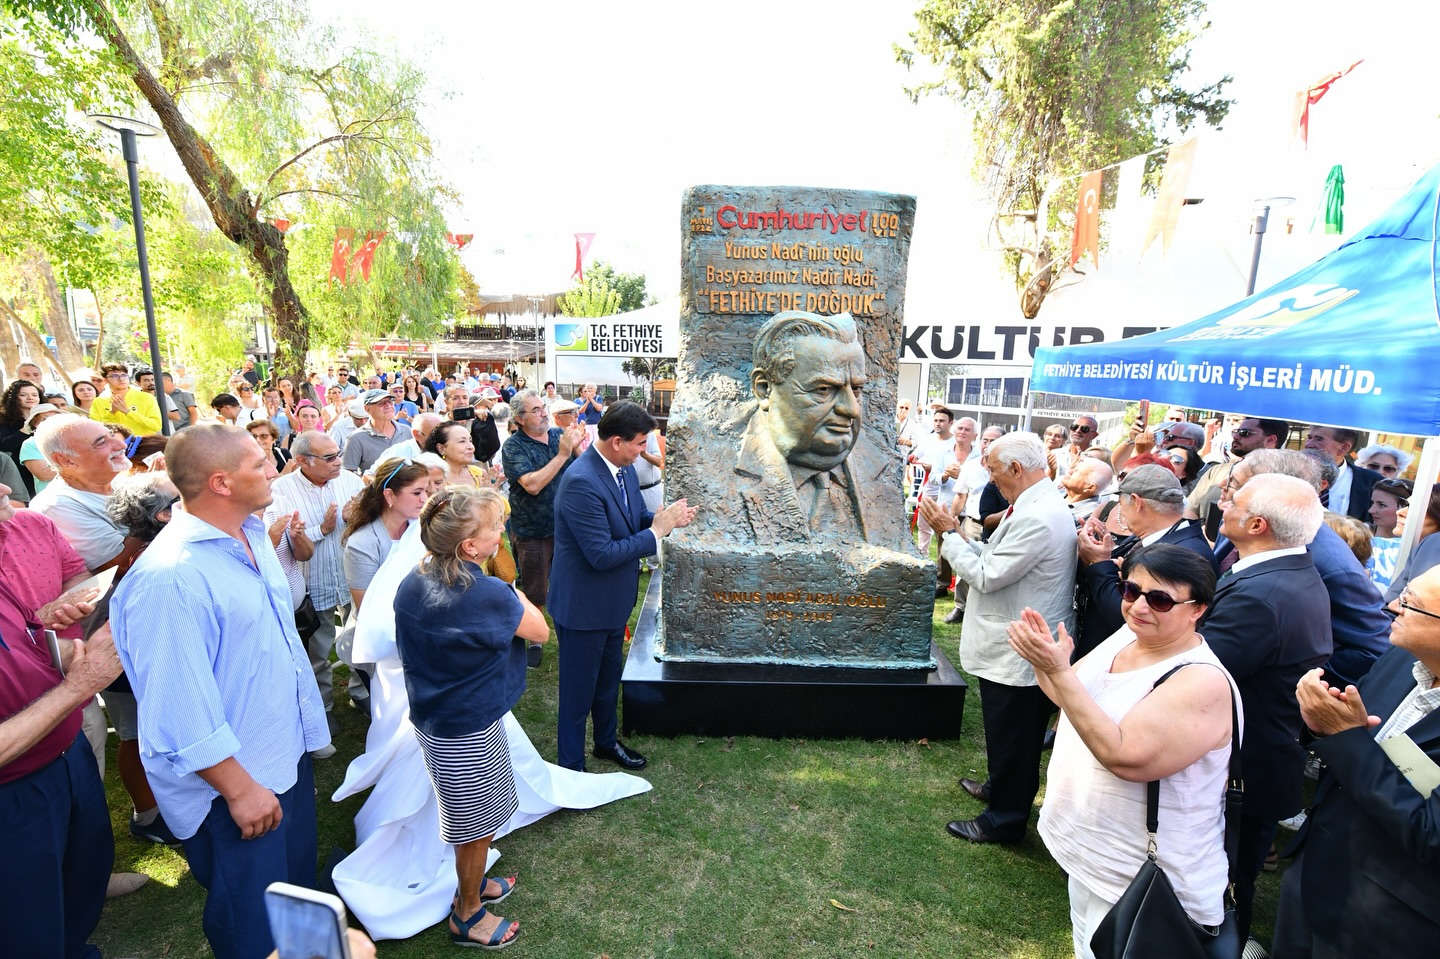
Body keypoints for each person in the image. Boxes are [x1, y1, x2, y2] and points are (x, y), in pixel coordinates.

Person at [110, 423, 330, 959]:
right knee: (253, 923)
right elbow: (177, 706)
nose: (275, 469)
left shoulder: (253, 533)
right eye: (259, 463)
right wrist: (238, 788)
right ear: (221, 482)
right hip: (235, 787)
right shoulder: (172, 578)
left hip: (284, 757)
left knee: (299, 898)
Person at [1008, 545, 1237, 959]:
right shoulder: (1127, 636)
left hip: (1144, 876)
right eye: (1131, 591)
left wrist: (1058, 670)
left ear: (1197, 609)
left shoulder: (1202, 681)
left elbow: (1123, 756)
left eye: (1161, 599)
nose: (1139, 606)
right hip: (1095, 856)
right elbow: (1072, 700)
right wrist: (1046, 662)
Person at [393, 487, 548, 949]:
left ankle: (473, 885)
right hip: (466, 725)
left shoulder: (415, 578)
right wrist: (508, 585)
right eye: (494, 527)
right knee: (474, 826)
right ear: (469, 547)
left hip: (439, 714)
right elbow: (539, 629)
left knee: (476, 814)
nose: (502, 531)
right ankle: (467, 914)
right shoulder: (486, 592)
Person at [1269, 565, 1440, 958]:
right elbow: (1352, 736)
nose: (1392, 605)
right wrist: (1320, 726)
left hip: (1391, 917)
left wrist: (1345, 737)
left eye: (1412, 604)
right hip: (1318, 868)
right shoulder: (1403, 658)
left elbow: (1432, 833)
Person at [918, 432, 1078, 844]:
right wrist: (959, 537)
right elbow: (994, 557)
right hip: (1018, 640)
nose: (990, 480)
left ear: (1016, 469)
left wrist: (949, 534)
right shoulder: (1032, 503)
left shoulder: (1038, 515)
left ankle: (1003, 820)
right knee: (1008, 732)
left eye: (992, 470)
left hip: (1020, 648)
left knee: (1016, 736)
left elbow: (987, 576)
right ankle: (1000, 788)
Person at [1198, 472, 1332, 945]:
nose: (1224, 500)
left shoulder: (1264, 593)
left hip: (1242, 769)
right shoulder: (1283, 571)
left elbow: (1198, 674)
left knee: (1222, 887)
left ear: (1257, 525)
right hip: (1257, 758)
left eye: (1235, 498)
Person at [550, 402, 698, 771]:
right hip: (583, 608)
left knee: (606, 683)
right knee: (577, 694)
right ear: (617, 441)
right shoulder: (581, 482)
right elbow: (601, 554)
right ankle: (571, 767)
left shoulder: (623, 468)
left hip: (613, 603)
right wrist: (656, 532)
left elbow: (631, 518)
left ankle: (605, 743)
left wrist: (662, 519)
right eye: (640, 443)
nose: (644, 449)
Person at [1, 576, 123, 959]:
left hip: (68, 758)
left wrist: (67, 644)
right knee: (27, 925)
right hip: (13, 792)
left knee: (82, 883)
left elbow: (24, 641)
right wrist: (78, 686)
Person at [268, 431, 365, 734]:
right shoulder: (281, 492)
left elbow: (372, 528)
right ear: (302, 461)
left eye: (338, 454)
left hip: (353, 580)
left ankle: (361, 694)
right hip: (312, 585)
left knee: (362, 643)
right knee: (316, 654)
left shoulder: (351, 482)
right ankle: (321, 710)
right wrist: (322, 529)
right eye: (330, 457)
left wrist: (354, 520)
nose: (339, 462)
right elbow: (282, 544)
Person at [1074, 465, 1219, 657]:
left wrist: (1099, 563)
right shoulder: (1171, 536)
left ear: (1136, 502)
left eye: (1121, 504)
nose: (1121, 512)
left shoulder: (1182, 552)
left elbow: (1132, 617)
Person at [502, 390, 586, 666]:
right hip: (532, 529)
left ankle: (570, 636)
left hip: (567, 527)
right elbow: (533, 485)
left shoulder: (557, 437)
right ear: (519, 418)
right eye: (535, 410)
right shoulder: (514, 446)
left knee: (570, 584)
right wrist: (563, 453)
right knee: (536, 588)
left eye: (543, 407)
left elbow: (583, 469)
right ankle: (536, 639)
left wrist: (576, 447)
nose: (543, 413)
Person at [342, 457, 429, 614]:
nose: (424, 499)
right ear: (389, 495)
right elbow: (367, 609)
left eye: (426, 491)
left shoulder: (422, 529)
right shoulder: (362, 544)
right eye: (417, 492)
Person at [1185, 416, 1290, 531]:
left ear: (1270, 440)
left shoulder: (1284, 482)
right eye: (1236, 432)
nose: (1235, 436)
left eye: (1244, 433)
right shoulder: (1217, 471)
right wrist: (1199, 538)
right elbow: (1189, 510)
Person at [1304, 425, 1381, 521]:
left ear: (1344, 448)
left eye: (1319, 439)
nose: (1309, 444)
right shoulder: (1290, 473)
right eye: (1309, 438)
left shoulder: (1371, 482)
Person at [342, 389, 413, 474]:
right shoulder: (356, 438)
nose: (388, 406)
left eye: (390, 402)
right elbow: (348, 473)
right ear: (367, 409)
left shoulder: (406, 431)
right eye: (381, 403)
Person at [425, 420, 502, 490]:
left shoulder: (479, 473)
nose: (470, 447)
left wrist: (492, 490)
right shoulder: (434, 480)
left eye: (470, 441)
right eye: (462, 441)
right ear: (441, 448)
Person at [1367, 477, 1412, 591]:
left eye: (1381, 505)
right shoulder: (1359, 535)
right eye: (1372, 503)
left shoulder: (1418, 547)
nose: (1371, 510)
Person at [18, 402, 63, 495]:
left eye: (55, 417)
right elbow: (44, 475)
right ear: (35, 424)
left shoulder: (73, 439)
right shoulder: (30, 444)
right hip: (52, 498)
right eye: (45, 419)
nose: (51, 421)